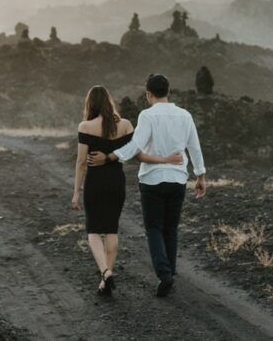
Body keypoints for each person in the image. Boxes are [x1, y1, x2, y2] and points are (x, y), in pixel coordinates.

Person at [87, 73, 207, 297]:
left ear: (148, 94)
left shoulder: (147, 115)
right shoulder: (185, 115)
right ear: (168, 92)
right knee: (170, 228)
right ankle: (169, 270)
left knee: (153, 228)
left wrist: (109, 157)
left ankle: (164, 274)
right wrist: (200, 175)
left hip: (152, 180)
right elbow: (195, 146)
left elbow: (136, 145)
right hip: (178, 178)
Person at [72, 85, 183, 296]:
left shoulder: (85, 126)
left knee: (94, 231)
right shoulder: (125, 125)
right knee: (111, 230)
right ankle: (106, 281)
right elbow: (136, 154)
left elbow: (80, 162)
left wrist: (76, 191)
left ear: (90, 104)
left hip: (95, 183)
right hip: (116, 182)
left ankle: (105, 272)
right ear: (109, 102)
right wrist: (167, 159)